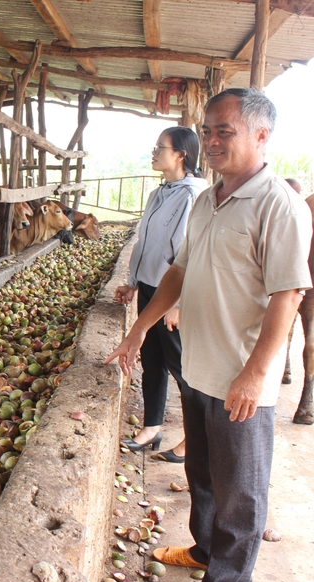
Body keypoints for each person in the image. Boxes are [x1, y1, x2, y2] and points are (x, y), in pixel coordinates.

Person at [106, 87, 312, 582]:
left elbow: (288, 297)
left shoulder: (278, 206)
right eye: (207, 131)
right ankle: (203, 549)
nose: (213, 141)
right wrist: (139, 328)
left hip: (241, 381)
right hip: (199, 368)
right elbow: (178, 272)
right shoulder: (206, 200)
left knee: (241, 495)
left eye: (226, 131)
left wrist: (256, 375)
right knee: (201, 474)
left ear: (262, 137)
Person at [114, 127, 206, 463]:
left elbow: (187, 253)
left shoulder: (192, 195)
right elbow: (146, 243)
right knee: (152, 360)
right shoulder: (160, 192)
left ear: (180, 154)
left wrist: (178, 304)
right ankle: (152, 427)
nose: (154, 153)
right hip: (152, 288)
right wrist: (134, 282)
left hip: (174, 294)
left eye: (160, 148)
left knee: (182, 368)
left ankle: (195, 438)